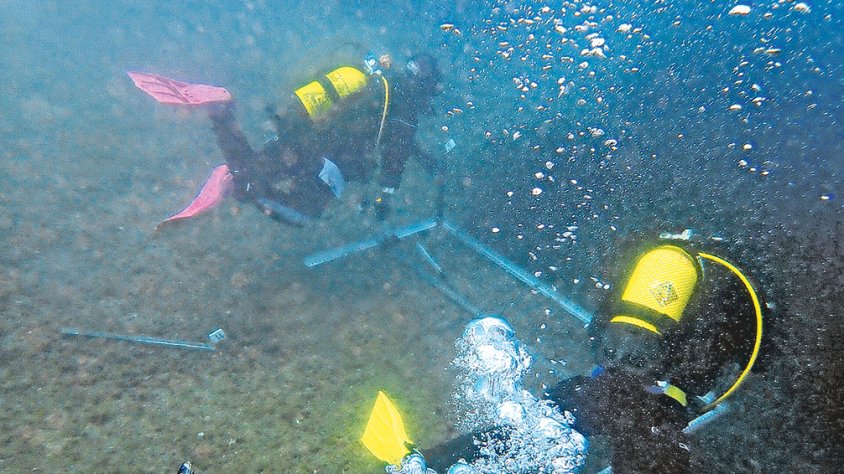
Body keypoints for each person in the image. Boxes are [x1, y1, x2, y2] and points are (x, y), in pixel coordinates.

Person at [367, 240, 765, 473]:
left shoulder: (643, 268)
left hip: (605, 382)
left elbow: (598, 331)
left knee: (533, 422)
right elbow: (747, 362)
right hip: (660, 405)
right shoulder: (733, 293)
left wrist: (619, 361)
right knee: (645, 454)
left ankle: (424, 462)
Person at [131, 53, 442, 228]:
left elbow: (397, 139)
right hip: (325, 161)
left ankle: (221, 113)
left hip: (301, 135)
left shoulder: (377, 86)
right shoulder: (405, 106)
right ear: (425, 86)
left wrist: (424, 157)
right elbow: (396, 153)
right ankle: (240, 185)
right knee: (305, 213)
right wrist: (386, 195)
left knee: (252, 168)